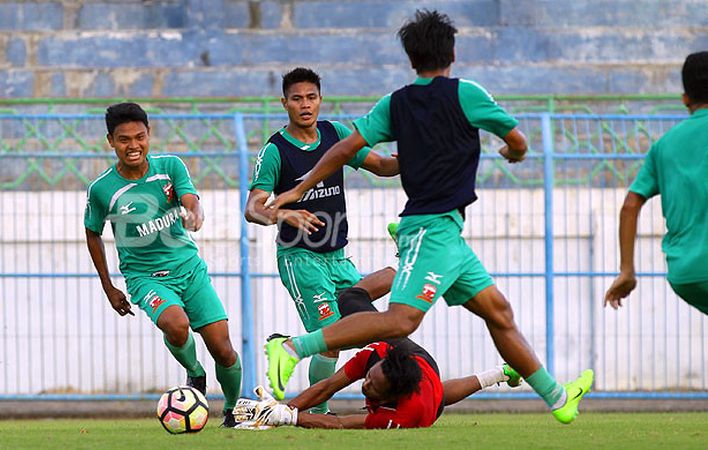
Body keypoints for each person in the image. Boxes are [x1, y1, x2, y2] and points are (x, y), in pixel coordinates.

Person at [262, 10, 593, 424]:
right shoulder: (466, 93)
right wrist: (515, 154)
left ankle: (559, 397)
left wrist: (300, 186)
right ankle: (293, 347)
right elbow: (518, 141)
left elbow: (348, 149)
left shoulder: (395, 103)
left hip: (450, 233)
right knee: (400, 321)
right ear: (452, 52)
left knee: (499, 313)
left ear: (410, 57)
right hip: (431, 228)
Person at [245, 67, 399, 413]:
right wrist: (283, 214)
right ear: (284, 103)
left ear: (320, 100)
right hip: (300, 258)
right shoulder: (275, 150)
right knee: (332, 337)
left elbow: (381, 166)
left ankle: (294, 355)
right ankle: (317, 413)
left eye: (311, 98)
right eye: (297, 98)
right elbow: (252, 208)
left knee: (375, 307)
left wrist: (408, 161)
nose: (305, 105)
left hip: (338, 257)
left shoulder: (335, 134)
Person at [84, 102, 241, 426]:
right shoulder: (102, 189)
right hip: (146, 277)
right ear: (110, 141)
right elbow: (92, 233)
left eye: (139, 137)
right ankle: (195, 374)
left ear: (149, 134)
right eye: (124, 139)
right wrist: (109, 286)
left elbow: (190, 200)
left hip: (189, 268)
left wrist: (194, 216)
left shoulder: (170, 166)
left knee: (223, 349)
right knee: (176, 323)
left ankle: (232, 411)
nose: (133, 146)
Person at [234, 292, 522, 429]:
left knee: (438, 400)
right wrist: (279, 410)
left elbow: (344, 424)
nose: (366, 384)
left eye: (373, 387)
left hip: (425, 397)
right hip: (414, 358)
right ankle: (397, 268)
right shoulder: (375, 357)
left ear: (393, 395)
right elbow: (328, 387)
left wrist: (292, 418)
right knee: (349, 299)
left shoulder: (409, 415)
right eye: (369, 378)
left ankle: (499, 372)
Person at [604, 51, 708, 314]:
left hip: (687, 274)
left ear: (685, 99)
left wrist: (626, 270)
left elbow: (631, 204)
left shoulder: (664, 146)